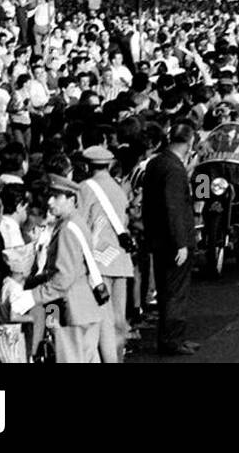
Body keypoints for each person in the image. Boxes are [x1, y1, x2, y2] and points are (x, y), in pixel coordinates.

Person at [19, 174, 108, 363]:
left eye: (57, 196)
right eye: (50, 196)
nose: (50, 201)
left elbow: (63, 278)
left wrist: (32, 296)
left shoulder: (67, 229)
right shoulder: (75, 223)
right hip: (85, 309)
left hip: (70, 310)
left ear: (71, 199)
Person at [142, 122, 200, 356]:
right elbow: (174, 207)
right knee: (176, 292)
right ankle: (173, 340)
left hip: (157, 237)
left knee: (167, 290)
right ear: (189, 142)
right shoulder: (174, 169)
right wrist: (182, 243)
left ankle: (171, 337)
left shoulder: (157, 162)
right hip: (174, 240)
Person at [77, 144, 133, 361]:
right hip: (120, 258)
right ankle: (118, 357)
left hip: (98, 260)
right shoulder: (118, 189)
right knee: (119, 318)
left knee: (103, 318)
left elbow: (81, 222)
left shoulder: (84, 188)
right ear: (109, 165)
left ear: (87, 165)